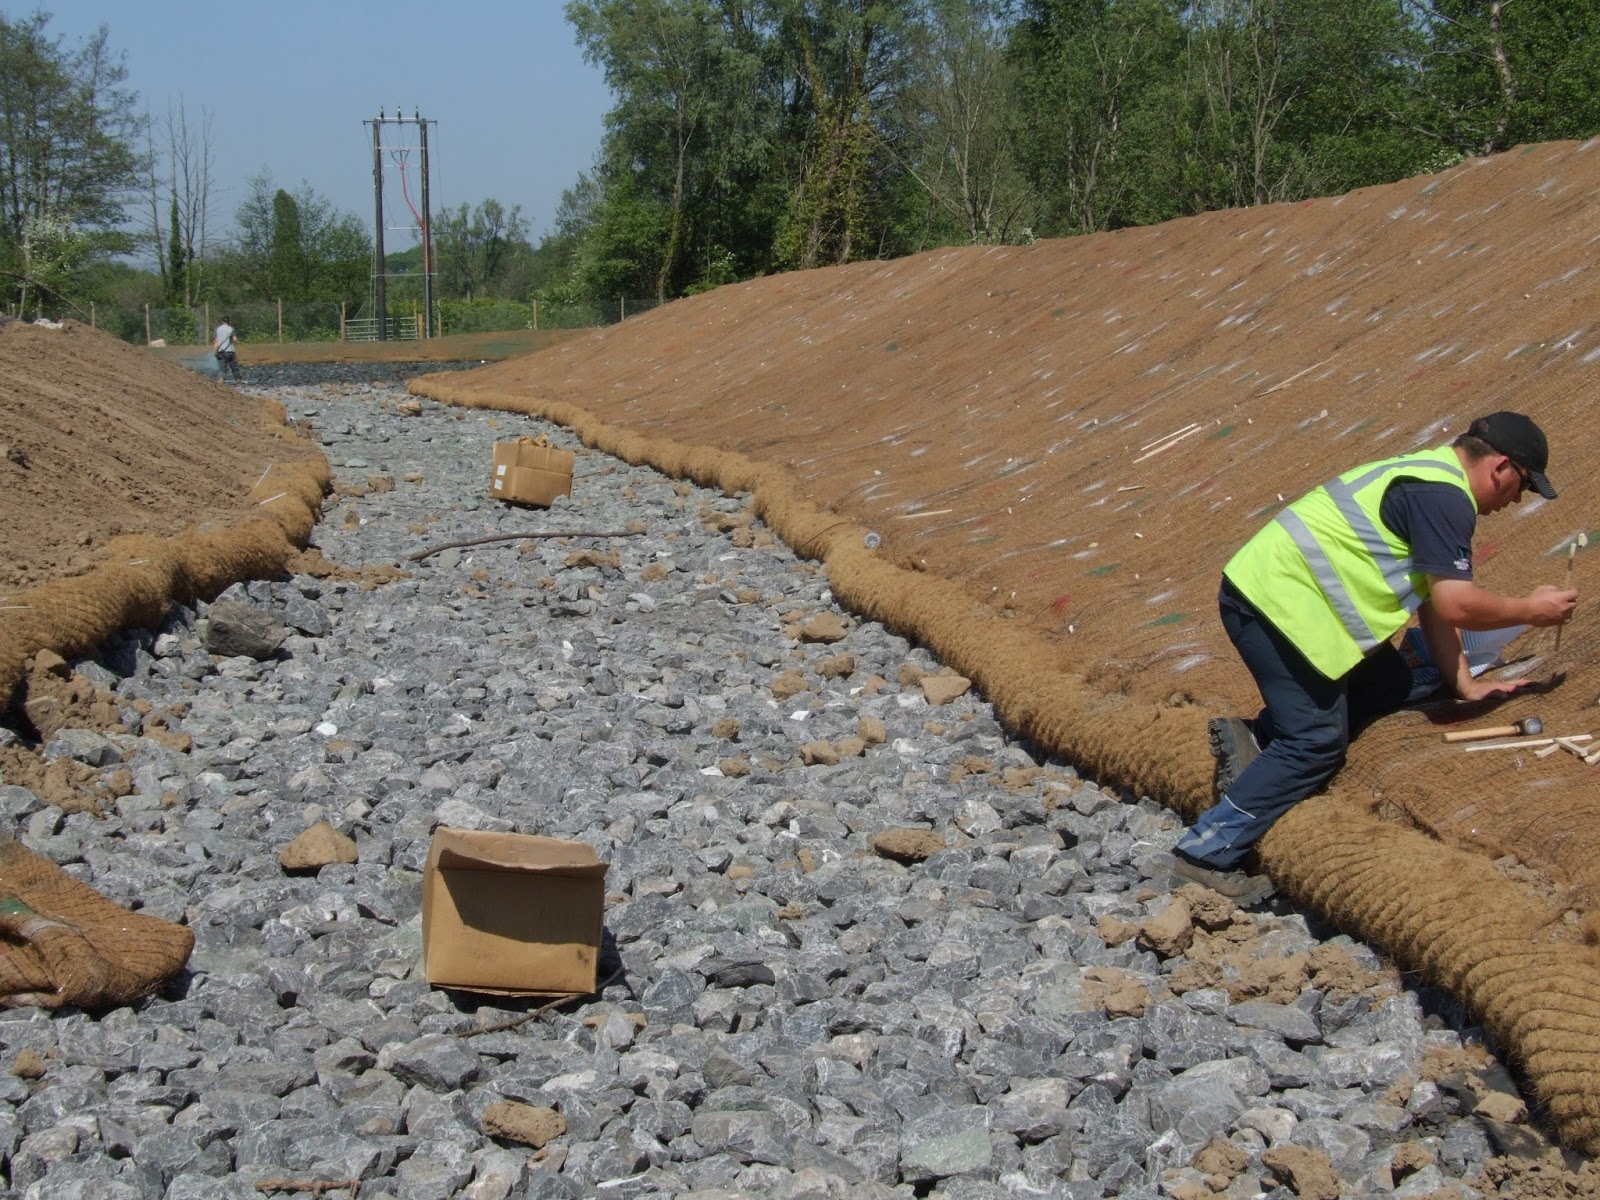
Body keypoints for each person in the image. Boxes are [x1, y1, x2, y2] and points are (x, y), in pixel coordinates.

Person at [1171, 411, 1578, 904]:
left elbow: (1431, 602)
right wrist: (1531, 611)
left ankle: (1257, 740)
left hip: (1281, 600)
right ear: (1502, 468)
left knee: (1392, 683)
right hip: (1275, 608)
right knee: (1317, 742)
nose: (1516, 500)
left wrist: (1466, 686)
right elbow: (1455, 603)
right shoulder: (1445, 498)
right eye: (1522, 487)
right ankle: (1206, 851)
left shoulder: (1430, 472)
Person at [212, 317, 243, 382]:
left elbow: (215, 341)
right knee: (234, 366)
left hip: (221, 351)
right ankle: (238, 379)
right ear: (228, 322)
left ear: (221, 321)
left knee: (222, 367)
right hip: (230, 350)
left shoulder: (217, 329)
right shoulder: (231, 328)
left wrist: (215, 352)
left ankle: (222, 379)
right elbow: (235, 340)